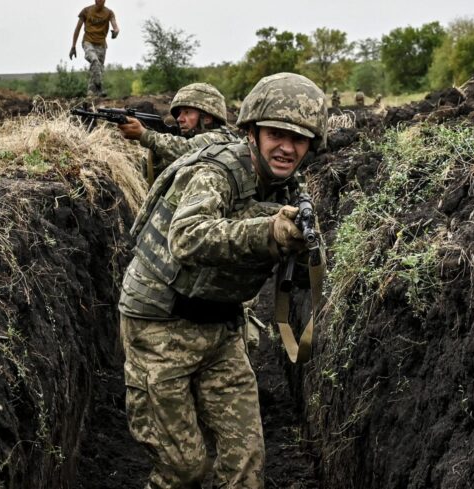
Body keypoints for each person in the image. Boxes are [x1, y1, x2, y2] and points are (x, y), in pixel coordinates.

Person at [119, 72, 327, 489]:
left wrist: (302, 249)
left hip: (221, 328)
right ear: (252, 132)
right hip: (160, 326)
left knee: (245, 466)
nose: (287, 147)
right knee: (184, 471)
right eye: (276, 133)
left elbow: (299, 277)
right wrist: (267, 232)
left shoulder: (289, 189)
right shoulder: (217, 172)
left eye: (299, 138)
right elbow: (186, 236)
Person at [116, 82, 238, 169]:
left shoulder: (219, 139)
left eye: (187, 112)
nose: (179, 119)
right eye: (179, 113)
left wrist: (144, 134)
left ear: (206, 118)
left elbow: (186, 148)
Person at [69, 0, 119, 98]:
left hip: (101, 45)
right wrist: (73, 46)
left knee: (97, 71)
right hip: (88, 42)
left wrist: (116, 32)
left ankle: (90, 96)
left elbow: (115, 25)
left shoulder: (109, 13)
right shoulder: (86, 11)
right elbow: (77, 29)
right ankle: (100, 87)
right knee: (95, 61)